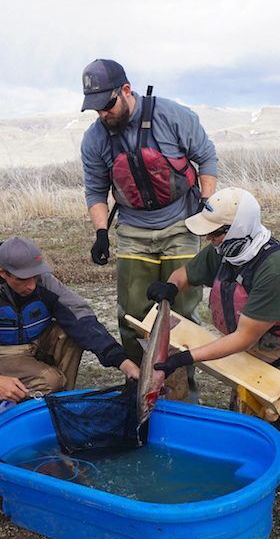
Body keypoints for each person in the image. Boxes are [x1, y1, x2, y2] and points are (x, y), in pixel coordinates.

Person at [146, 186, 280, 476]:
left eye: (215, 233)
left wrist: (184, 358)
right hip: (250, 358)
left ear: (238, 228)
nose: (208, 240)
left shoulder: (276, 268)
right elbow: (185, 274)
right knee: (246, 445)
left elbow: (242, 336)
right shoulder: (224, 251)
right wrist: (170, 288)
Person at [79, 59, 218, 374]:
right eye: (96, 108)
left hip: (181, 225)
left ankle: (181, 389)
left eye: (108, 104)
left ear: (126, 90)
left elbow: (206, 156)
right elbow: (95, 191)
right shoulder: (95, 139)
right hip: (133, 231)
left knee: (181, 312)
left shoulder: (172, 116)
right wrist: (101, 232)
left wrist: (206, 204)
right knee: (132, 314)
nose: (103, 114)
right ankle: (141, 385)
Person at [0, 236, 139, 402]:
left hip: (36, 342)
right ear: (2, 273)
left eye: (34, 276)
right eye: (22, 279)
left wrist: (121, 360)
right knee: (50, 381)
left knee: (69, 334)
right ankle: (21, 398)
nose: (31, 286)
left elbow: (81, 317)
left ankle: (59, 399)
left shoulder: (43, 281)